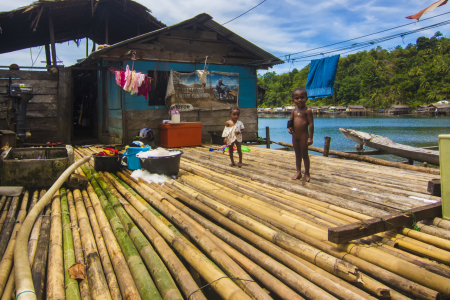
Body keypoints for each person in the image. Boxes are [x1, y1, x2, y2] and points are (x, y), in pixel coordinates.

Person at [287, 88, 314, 181]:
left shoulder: (308, 111)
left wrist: (310, 138)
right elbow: (290, 121)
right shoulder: (294, 110)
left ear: (306, 98)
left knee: (305, 155)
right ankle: (298, 172)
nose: (299, 100)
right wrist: (289, 128)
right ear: (293, 100)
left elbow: (311, 124)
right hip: (295, 136)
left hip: (303, 136)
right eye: (297, 98)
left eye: (302, 97)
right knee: (297, 155)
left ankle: (307, 173)